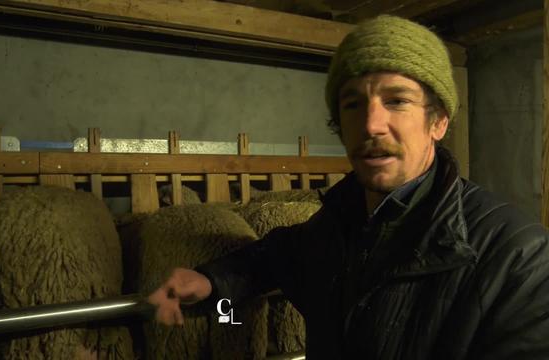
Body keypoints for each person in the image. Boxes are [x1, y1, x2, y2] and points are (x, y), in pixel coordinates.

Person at [148, 15, 549, 359]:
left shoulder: (519, 260)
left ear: (438, 121)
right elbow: (277, 253)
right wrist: (212, 281)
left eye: (396, 100)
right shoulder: (335, 226)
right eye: (354, 104)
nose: (371, 125)